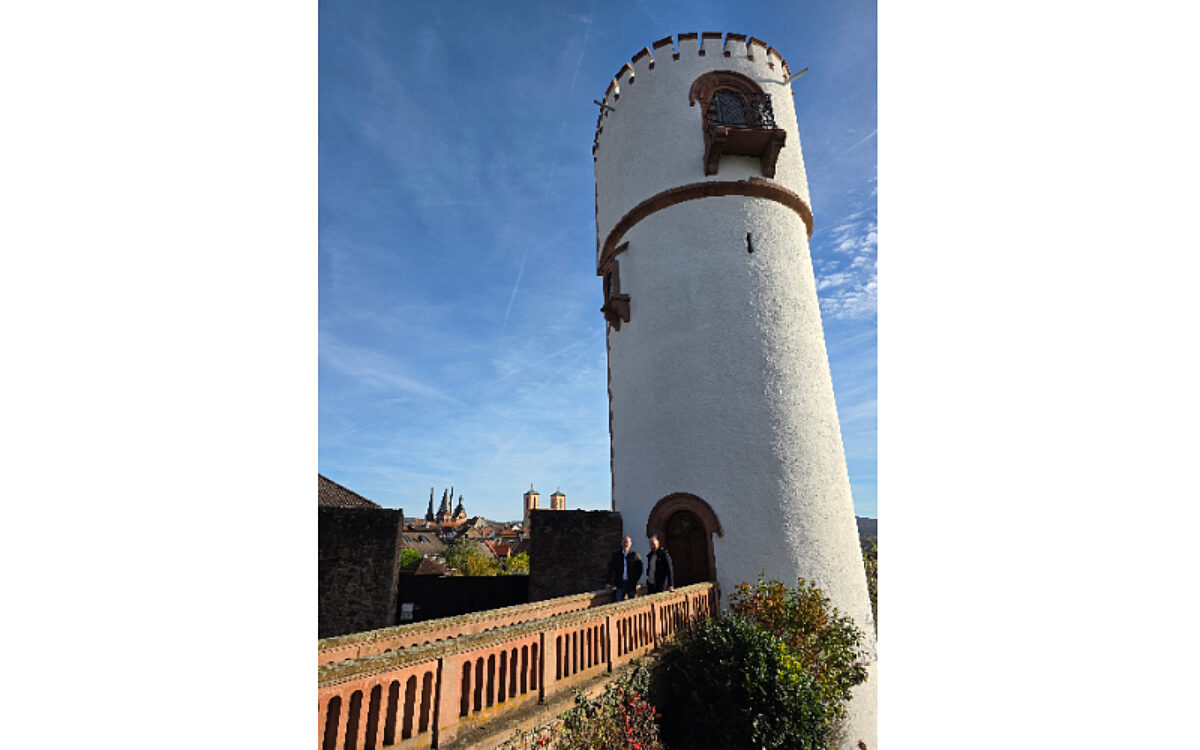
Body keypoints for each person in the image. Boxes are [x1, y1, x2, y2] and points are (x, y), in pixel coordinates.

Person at [606, 535, 643, 601]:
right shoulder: (616, 556)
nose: (626, 544)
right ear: (621, 544)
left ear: (630, 544)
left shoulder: (634, 555)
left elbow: (640, 569)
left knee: (632, 604)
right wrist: (609, 582)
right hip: (620, 583)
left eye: (627, 542)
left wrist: (635, 580)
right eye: (624, 542)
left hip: (631, 584)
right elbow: (611, 569)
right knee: (619, 602)